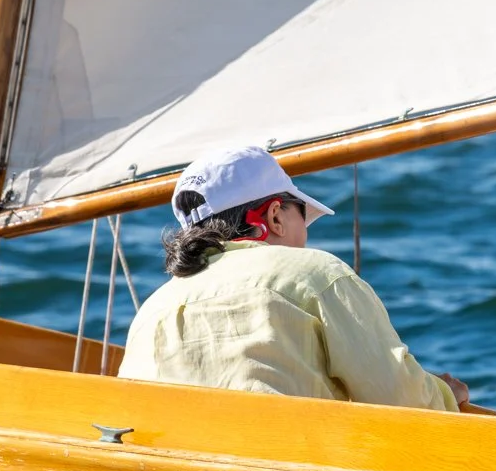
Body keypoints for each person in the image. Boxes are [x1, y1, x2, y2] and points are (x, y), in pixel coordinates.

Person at [119, 144, 468, 410]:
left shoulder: (153, 309)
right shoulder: (316, 274)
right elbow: (403, 401)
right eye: (303, 216)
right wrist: (443, 395)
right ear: (274, 216)